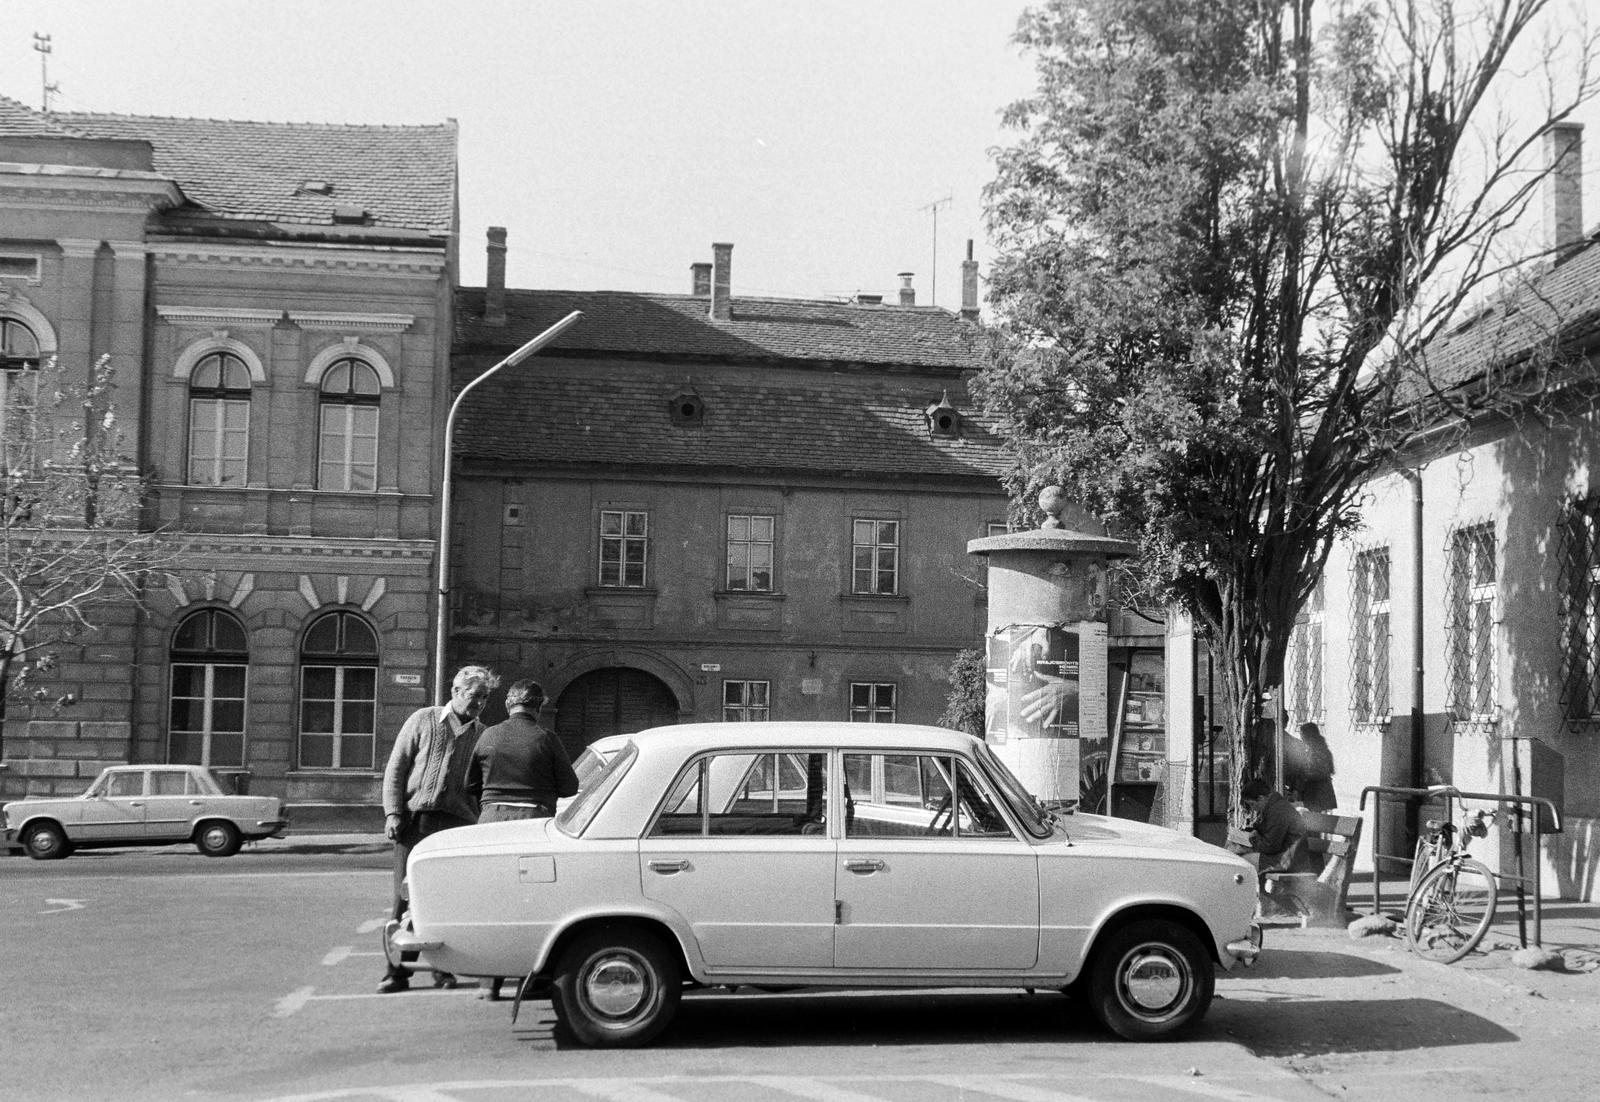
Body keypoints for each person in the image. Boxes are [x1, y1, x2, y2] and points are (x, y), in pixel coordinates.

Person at [377, 664, 500, 994]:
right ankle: (396, 972)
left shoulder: (484, 735)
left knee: (445, 903)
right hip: (416, 822)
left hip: (456, 828)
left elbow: (484, 785)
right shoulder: (423, 720)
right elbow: (396, 769)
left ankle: (443, 971)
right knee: (403, 901)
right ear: (455, 692)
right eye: (474, 696)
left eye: (485, 698)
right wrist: (393, 813)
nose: (479, 703)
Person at [466, 678, 579, 1000]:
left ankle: (489, 984)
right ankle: (534, 980)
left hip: (490, 822)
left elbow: (470, 785)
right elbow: (570, 787)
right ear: (538, 707)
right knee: (534, 903)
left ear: (508, 705)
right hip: (533, 823)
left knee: (493, 901)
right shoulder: (546, 738)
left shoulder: (488, 735)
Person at [1228, 776, 1310, 915]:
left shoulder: (1278, 810)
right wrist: (1249, 832)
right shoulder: (1274, 806)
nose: (1253, 809)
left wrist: (1252, 838)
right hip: (1284, 855)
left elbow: (1270, 846)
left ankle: (1241, 905)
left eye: (1253, 804)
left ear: (1261, 798)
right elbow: (1266, 834)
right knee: (1234, 851)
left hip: (1287, 860)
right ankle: (1245, 904)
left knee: (1240, 863)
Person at [1293, 721, 1337, 813]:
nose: (1301, 738)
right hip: (1314, 790)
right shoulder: (1312, 750)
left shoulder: (1319, 751)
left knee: (1316, 816)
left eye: (1303, 735)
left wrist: (1304, 774)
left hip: (1318, 791)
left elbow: (1322, 771)